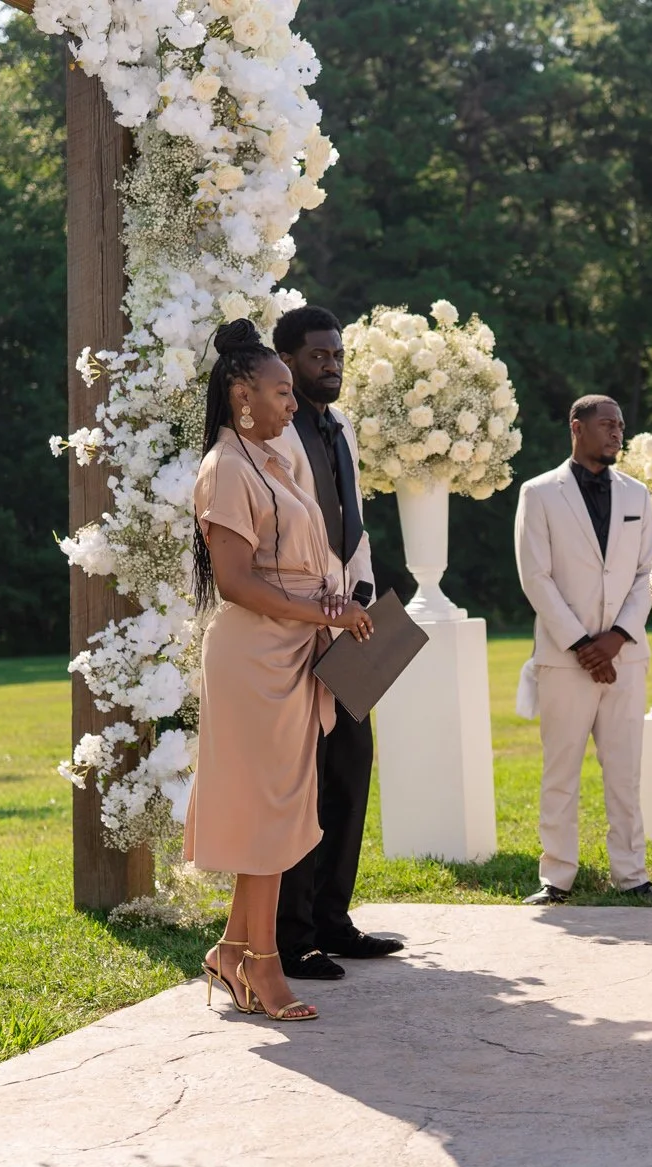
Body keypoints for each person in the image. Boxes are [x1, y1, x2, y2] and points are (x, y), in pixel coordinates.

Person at [187, 319, 373, 1023]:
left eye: (293, 395)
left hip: (294, 646)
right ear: (242, 396)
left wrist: (333, 602)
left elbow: (298, 559)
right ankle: (262, 963)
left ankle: (232, 951)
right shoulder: (226, 467)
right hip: (254, 656)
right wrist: (321, 614)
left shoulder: (271, 458)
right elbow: (234, 581)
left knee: (285, 806)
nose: (292, 405)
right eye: (280, 392)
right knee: (268, 812)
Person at [261, 305, 401, 981]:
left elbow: (354, 520)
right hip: (299, 626)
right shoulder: (270, 434)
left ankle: (335, 919)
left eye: (338, 355)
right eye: (319, 355)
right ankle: (293, 936)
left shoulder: (340, 426)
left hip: (355, 622)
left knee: (350, 767)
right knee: (302, 781)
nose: (332, 365)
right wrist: (322, 610)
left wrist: (367, 594)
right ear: (285, 359)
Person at [513, 395, 652, 905]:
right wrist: (582, 644)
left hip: (625, 656)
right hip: (564, 659)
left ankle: (633, 873)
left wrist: (616, 638)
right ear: (576, 427)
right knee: (561, 771)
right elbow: (535, 576)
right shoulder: (539, 494)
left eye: (621, 425)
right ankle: (556, 876)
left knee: (625, 772)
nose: (617, 433)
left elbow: (648, 573)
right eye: (607, 424)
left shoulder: (638, 495)